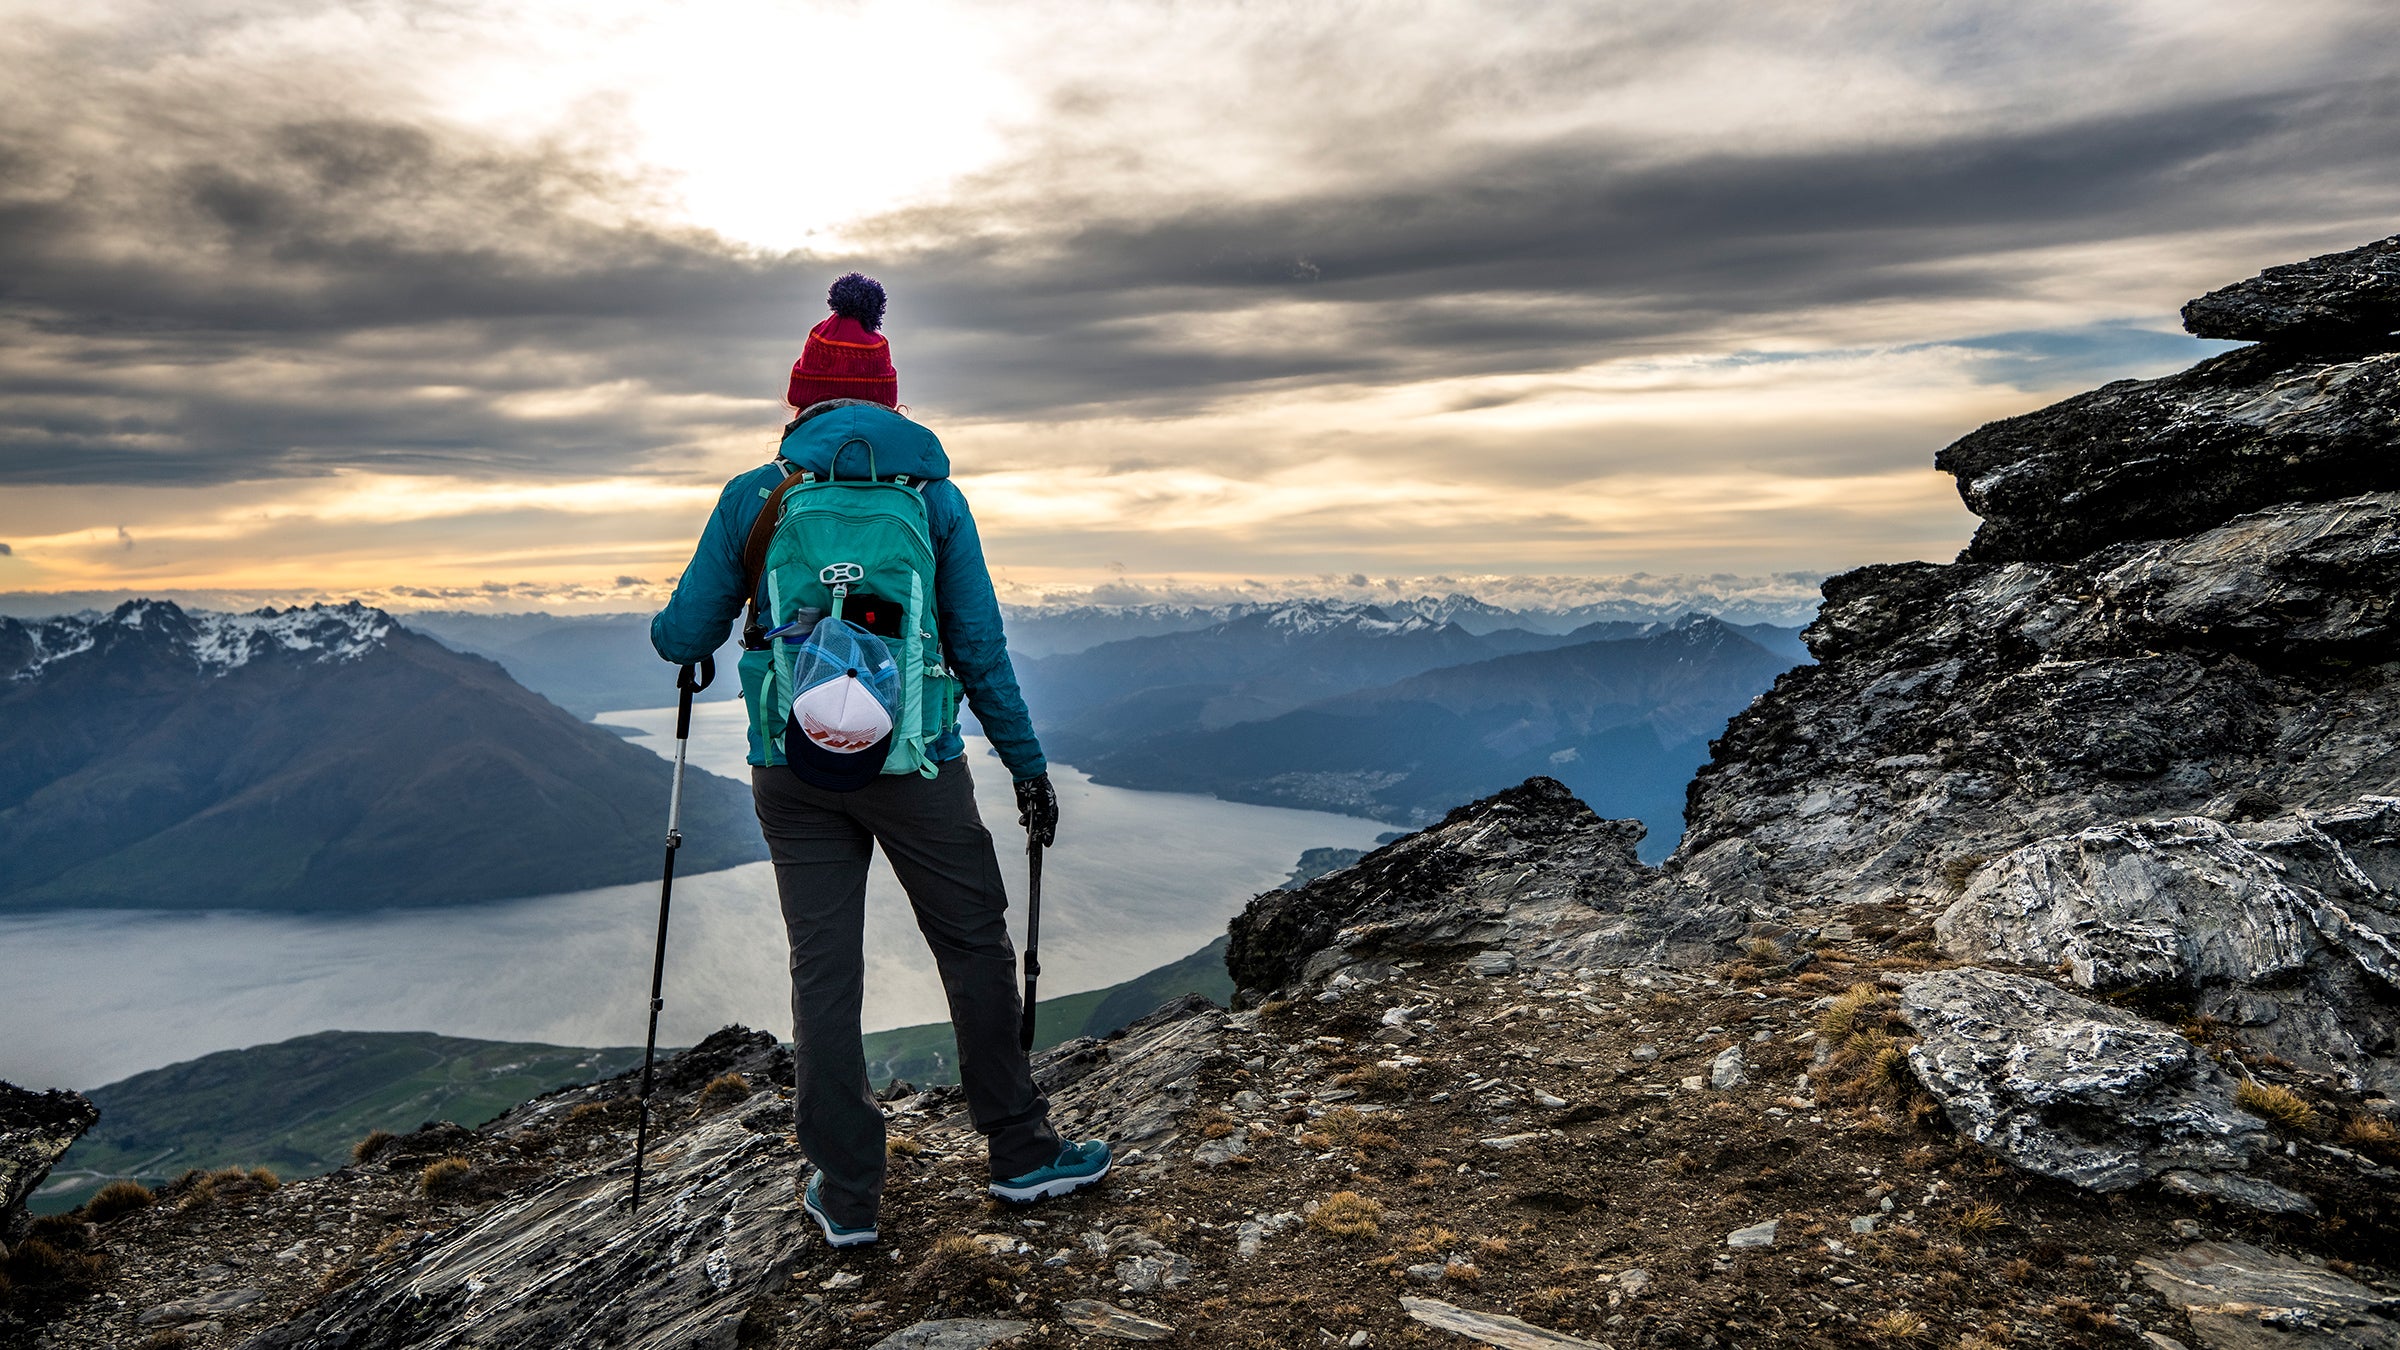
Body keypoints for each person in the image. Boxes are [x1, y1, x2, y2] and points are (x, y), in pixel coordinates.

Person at [650, 273, 1107, 1249]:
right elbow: (981, 651)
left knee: (825, 972)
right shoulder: (934, 501)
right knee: (974, 946)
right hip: (918, 765)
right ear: (890, 399)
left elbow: (680, 633)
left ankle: (847, 1192)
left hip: (793, 769)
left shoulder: (757, 498)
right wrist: (1027, 770)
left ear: (800, 398)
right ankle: (1020, 1152)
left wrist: (691, 624)